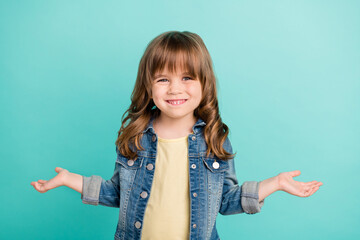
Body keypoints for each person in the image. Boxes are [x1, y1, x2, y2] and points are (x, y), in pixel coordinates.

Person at [31, 31, 323, 240]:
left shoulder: (214, 139)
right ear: (149, 85)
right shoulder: (136, 138)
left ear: (203, 83)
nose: (174, 88)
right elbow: (119, 194)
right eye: (163, 79)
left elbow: (225, 202)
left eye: (186, 77)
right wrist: (69, 179)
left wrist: (276, 183)